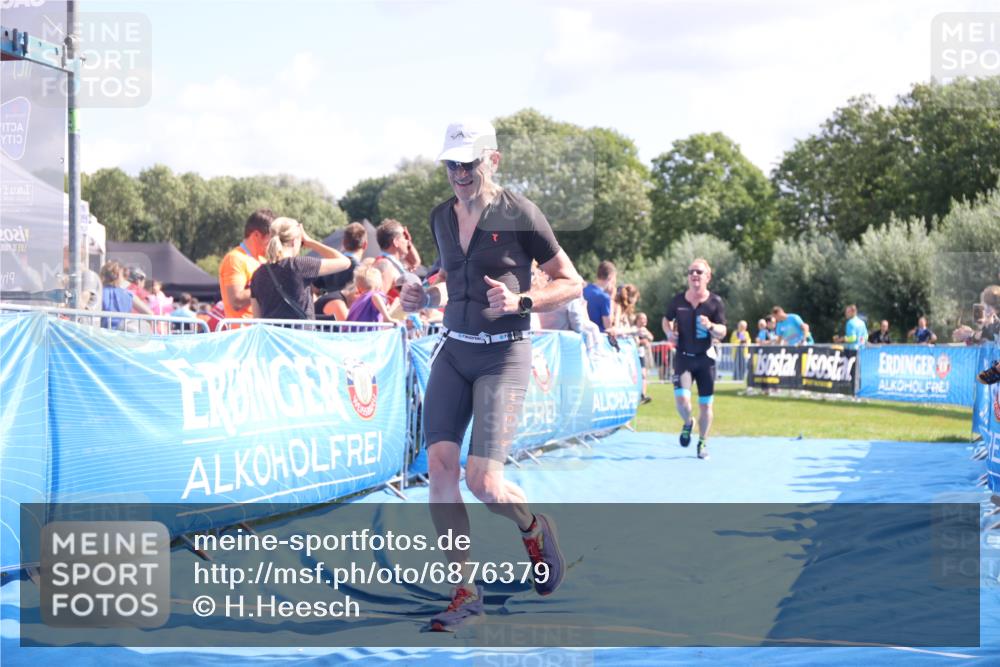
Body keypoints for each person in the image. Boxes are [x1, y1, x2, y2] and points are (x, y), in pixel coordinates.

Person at [399, 118, 584, 632]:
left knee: (483, 481)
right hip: (454, 352)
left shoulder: (520, 212)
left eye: (469, 163)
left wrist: (524, 299)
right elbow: (448, 283)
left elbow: (572, 282)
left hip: (504, 354)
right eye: (452, 164)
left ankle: (532, 527)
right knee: (438, 465)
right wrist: (421, 293)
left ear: (492, 161)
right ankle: (465, 590)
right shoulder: (441, 216)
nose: (460, 173)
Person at [662, 258, 727, 460]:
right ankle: (688, 422)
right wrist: (668, 333)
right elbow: (666, 319)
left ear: (708, 276)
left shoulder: (715, 302)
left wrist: (710, 326)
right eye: (691, 271)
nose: (694, 275)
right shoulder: (678, 300)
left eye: (699, 272)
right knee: (682, 399)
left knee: (706, 405)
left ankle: (702, 442)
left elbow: (723, 331)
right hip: (684, 358)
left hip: (706, 360)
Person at [249, 217, 351, 320]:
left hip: (271, 335)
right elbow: (345, 262)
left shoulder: (258, 274)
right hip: (300, 334)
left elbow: (257, 318)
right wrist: (310, 242)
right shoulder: (299, 265)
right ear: (294, 241)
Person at [219, 208, 276, 320]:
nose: (274, 244)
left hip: (261, 331)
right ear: (256, 235)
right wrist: (270, 286)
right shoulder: (235, 259)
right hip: (244, 333)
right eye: (271, 239)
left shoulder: (263, 260)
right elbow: (236, 302)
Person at [373, 219, 421, 299]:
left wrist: (408, 241)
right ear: (396, 242)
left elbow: (415, 262)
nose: (407, 241)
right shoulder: (385, 265)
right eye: (404, 237)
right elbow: (376, 299)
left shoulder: (389, 262)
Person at [100, 260, 153, 329]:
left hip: (102, 335)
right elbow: (150, 314)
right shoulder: (128, 295)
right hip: (123, 334)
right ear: (120, 275)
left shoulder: (99, 293)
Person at [582, 260, 616, 332]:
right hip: (598, 336)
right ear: (610, 277)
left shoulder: (583, 289)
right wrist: (611, 299)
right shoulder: (604, 297)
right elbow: (608, 325)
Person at [635, 311, 655, 404]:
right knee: (635, 376)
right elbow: (636, 342)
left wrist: (646, 336)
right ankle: (634, 394)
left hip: (641, 355)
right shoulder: (633, 329)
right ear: (638, 320)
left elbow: (651, 337)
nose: (645, 320)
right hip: (633, 355)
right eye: (643, 318)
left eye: (645, 319)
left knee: (643, 375)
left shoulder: (644, 330)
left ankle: (643, 395)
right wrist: (642, 341)